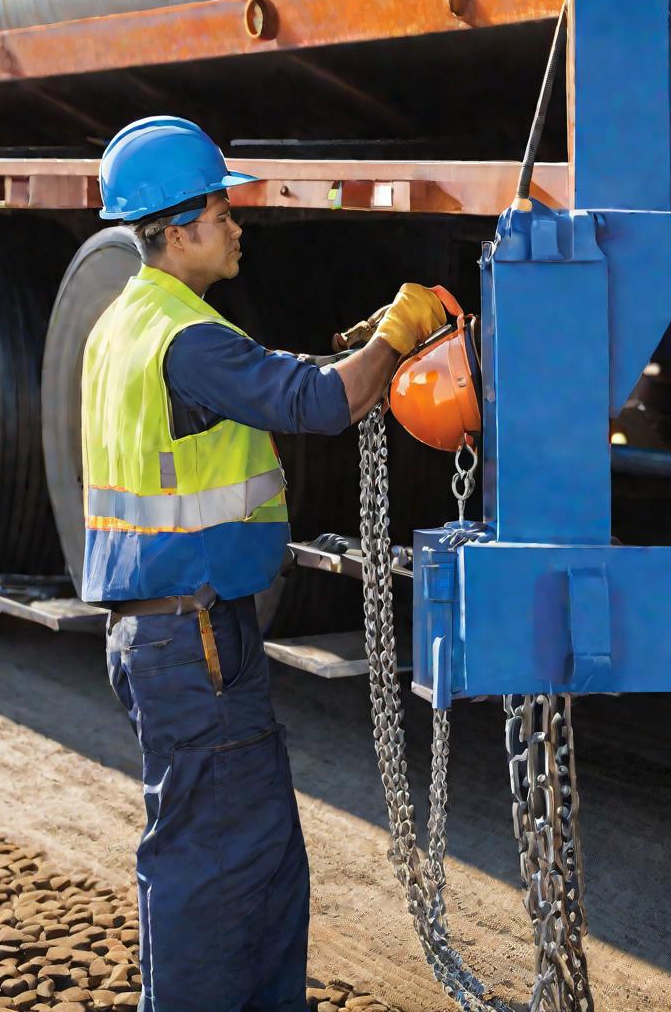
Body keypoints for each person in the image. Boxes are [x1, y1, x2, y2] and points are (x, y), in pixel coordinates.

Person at [80, 115, 447, 1012]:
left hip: (177, 638)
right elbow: (318, 403)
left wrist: (358, 351)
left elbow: (276, 380)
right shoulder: (188, 338)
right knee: (216, 872)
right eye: (221, 208)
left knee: (257, 865)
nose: (237, 223)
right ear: (178, 229)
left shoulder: (129, 324)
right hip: (194, 645)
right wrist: (398, 336)